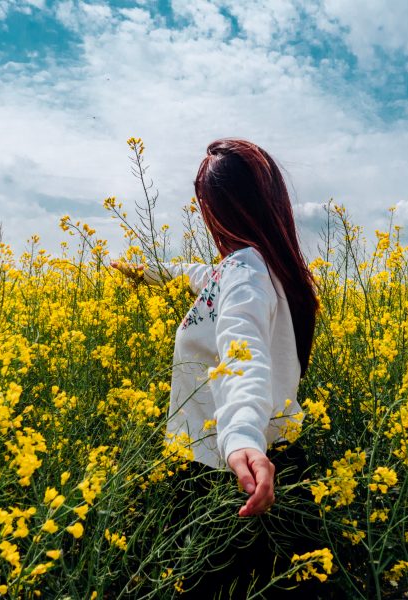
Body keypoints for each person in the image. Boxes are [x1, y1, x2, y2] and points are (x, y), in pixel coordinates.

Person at [112, 138, 321, 597]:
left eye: (204, 204)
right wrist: (140, 271)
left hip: (231, 469)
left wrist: (242, 437)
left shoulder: (245, 274)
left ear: (221, 208)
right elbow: (189, 273)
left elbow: (241, 357)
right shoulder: (250, 269)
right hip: (261, 458)